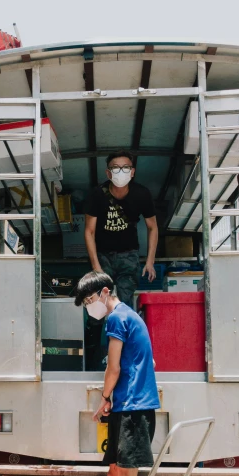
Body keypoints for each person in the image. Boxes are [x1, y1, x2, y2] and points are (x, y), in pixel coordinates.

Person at [74, 270, 160, 476]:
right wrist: (111, 400)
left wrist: (104, 397)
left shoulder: (116, 318)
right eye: (85, 302)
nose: (89, 306)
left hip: (133, 410)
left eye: (90, 299)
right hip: (127, 406)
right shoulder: (129, 317)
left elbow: (113, 367)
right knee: (113, 475)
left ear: (106, 291)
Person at [83, 151, 158, 369]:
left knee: (122, 309)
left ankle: (118, 361)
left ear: (132, 172)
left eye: (126, 168)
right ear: (108, 172)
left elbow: (153, 227)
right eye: (116, 168)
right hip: (103, 257)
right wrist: (96, 268)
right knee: (96, 312)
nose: (121, 172)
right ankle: (92, 362)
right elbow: (89, 232)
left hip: (129, 257)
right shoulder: (97, 194)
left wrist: (150, 261)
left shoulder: (141, 194)